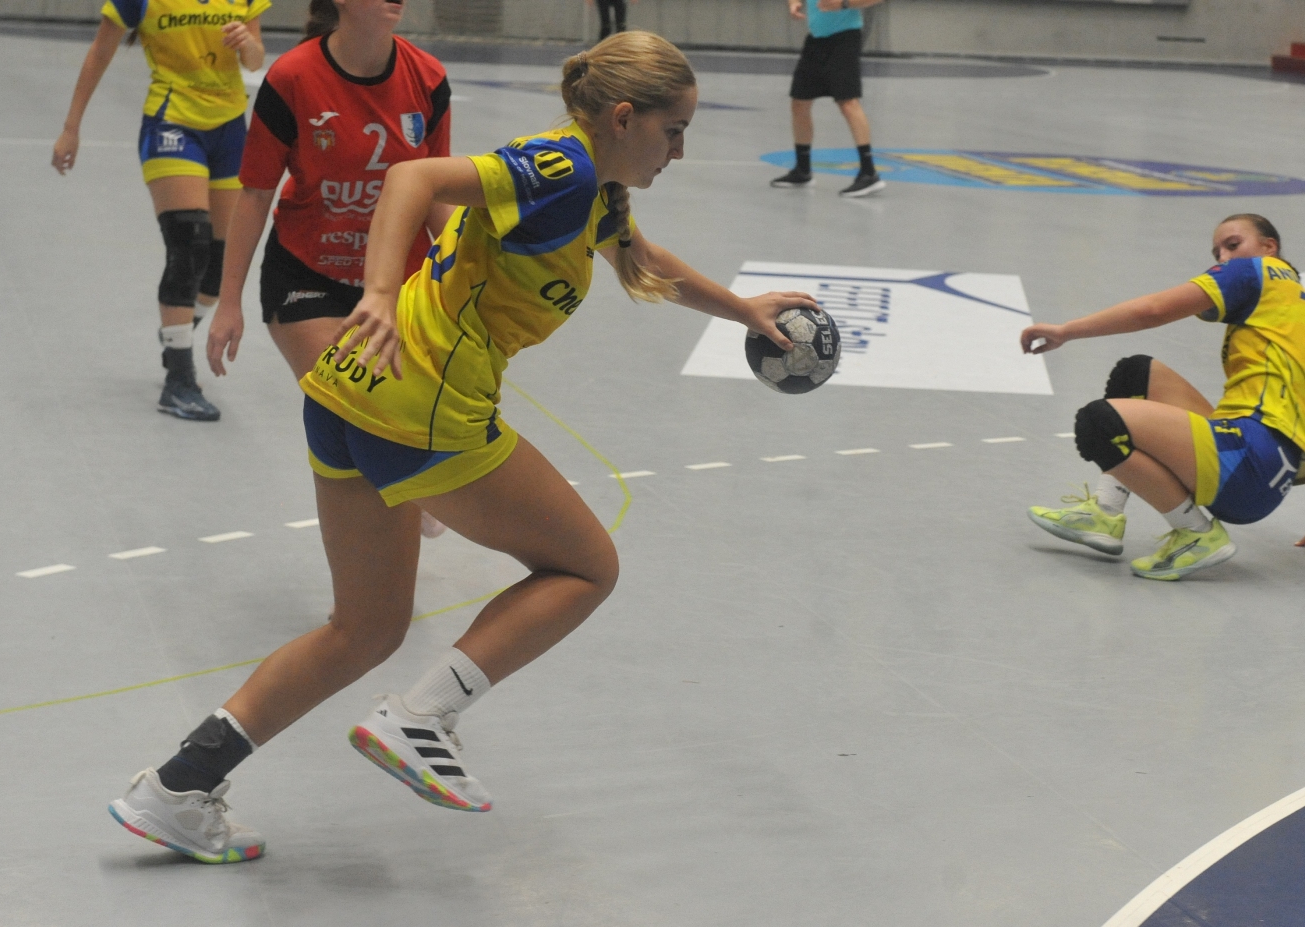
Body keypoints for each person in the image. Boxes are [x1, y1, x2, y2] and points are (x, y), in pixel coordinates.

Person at [107, 30, 817, 864]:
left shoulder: (593, 188)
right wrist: (377, 290)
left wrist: (742, 310)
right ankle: (421, 717)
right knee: (587, 566)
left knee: (364, 628)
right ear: (624, 117)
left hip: (347, 392)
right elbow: (411, 178)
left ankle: (177, 787)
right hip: (424, 406)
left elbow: (643, 258)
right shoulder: (562, 168)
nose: (682, 151)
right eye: (675, 131)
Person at [206, 0, 454, 538]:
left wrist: (466, 275)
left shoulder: (428, 78)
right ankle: (376, 569)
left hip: (398, 283)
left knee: (390, 424)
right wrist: (229, 301)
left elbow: (436, 191)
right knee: (361, 404)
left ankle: (398, 527)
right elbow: (255, 194)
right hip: (306, 275)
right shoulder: (293, 77)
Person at [1023, 214, 1303, 581]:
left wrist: (1066, 331)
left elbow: (1153, 310)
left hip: (1245, 464)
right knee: (1135, 375)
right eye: (1217, 252)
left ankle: (1196, 534)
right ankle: (1105, 512)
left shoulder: (1256, 270)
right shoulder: (1291, 306)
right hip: (1267, 469)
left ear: (1269, 247)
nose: (1223, 257)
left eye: (1233, 245)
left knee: (1099, 423)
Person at [53, 0, 268, 421]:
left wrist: (247, 43)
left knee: (219, 265)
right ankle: (179, 380)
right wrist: (70, 127)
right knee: (189, 243)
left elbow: (256, 60)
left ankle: (176, 332)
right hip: (173, 123)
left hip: (229, 130)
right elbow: (99, 52)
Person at [770, 0, 885, 198]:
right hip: (816, 39)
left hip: (845, 38)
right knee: (800, 101)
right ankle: (803, 170)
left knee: (848, 102)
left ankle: (869, 172)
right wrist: (794, 2)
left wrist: (844, 3)